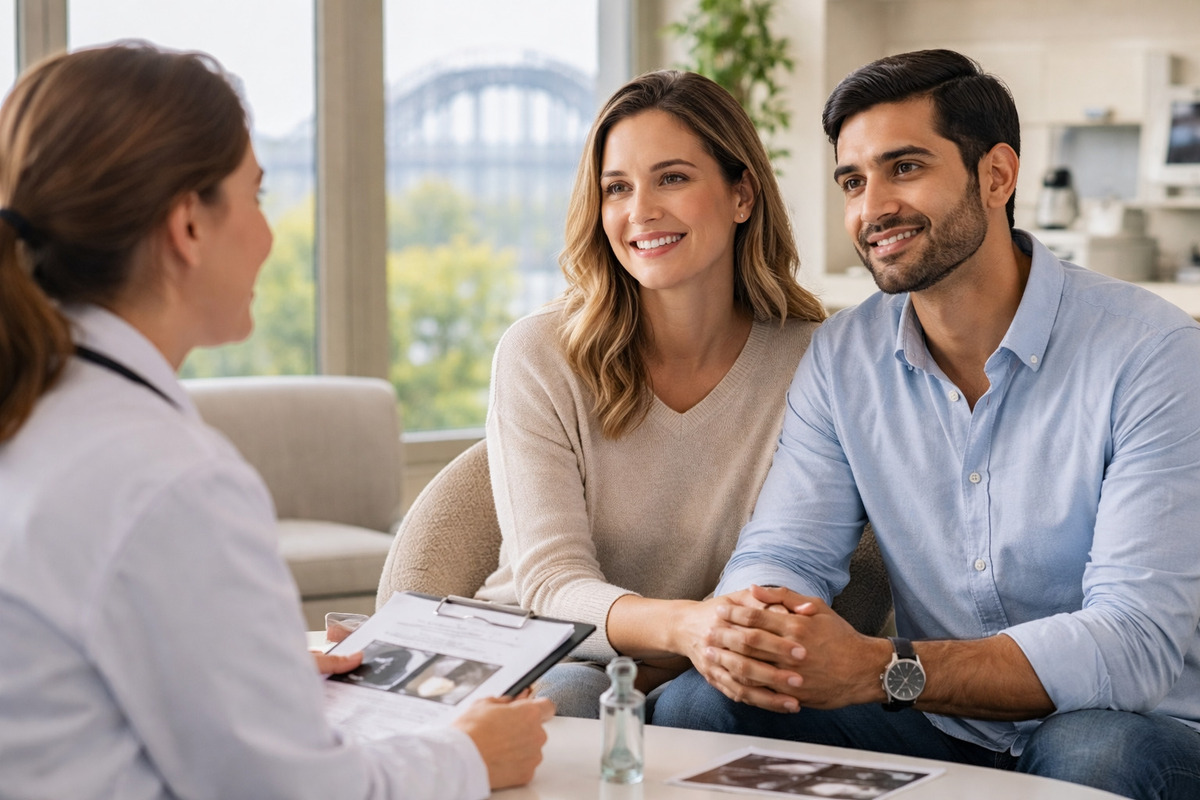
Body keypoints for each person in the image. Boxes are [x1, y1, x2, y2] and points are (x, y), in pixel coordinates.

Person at [0, 42, 552, 800]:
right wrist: (467, 756)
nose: (269, 235)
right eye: (257, 196)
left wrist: (251, 670)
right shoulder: (169, 479)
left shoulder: (38, 414)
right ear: (188, 224)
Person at [652, 49, 1200, 800]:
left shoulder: (1153, 353)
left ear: (997, 176)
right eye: (853, 181)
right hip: (940, 719)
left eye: (904, 168)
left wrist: (883, 669)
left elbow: (1133, 643)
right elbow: (787, 549)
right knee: (698, 706)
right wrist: (754, 628)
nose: (872, 208)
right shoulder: (844, 356)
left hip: (1132, 720)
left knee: (1094, 756)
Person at [467, 70, 828, 716]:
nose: (641, 211)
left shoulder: (813, 358)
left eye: (673, 178)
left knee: (720, 710)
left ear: (741, 194)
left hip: (709, 674)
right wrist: (688, 628)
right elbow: (549, 584)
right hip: (550, 653)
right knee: (577, 702)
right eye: (617, 188)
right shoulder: (539, 354)